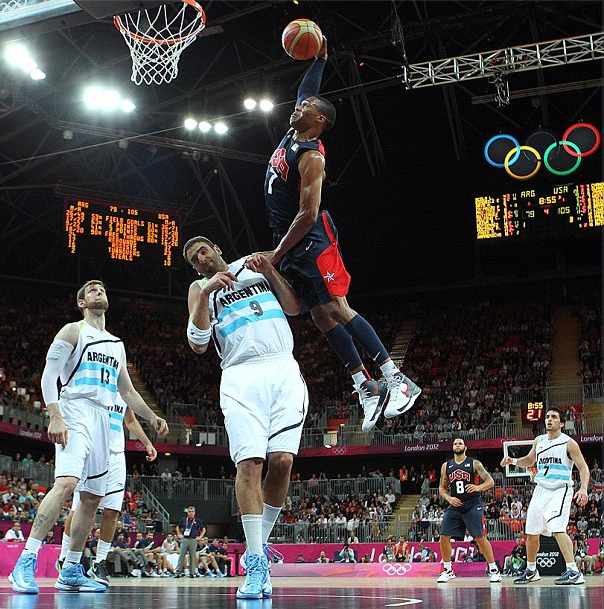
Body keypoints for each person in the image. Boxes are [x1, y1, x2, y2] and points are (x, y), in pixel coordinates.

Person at [257, 38, 420, 433]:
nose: (297, 108)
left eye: (305, 109)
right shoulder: (293, 133)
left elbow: (307, 213)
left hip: (311, 237)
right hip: (290, 238)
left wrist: (277, 253)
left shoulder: (311, 156)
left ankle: (397, 378)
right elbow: (307, 89)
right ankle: (365, 384)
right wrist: (321, 58)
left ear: (319, 120)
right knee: (319, 315)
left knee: (337, 307)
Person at [8, 280, 168, 594]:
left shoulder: (117, 344)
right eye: (92, 289)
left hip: (103, 419)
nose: (99, 290)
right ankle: (25, 561)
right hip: (75, 409)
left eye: (102, 288)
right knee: (67, 483)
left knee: (92, 497)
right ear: (81, 302)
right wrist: (55, 415)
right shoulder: (72, 331)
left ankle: (71, 569)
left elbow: (127, 391)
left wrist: (151, 416)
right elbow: (48, 377)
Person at [184, 237, 307, 599]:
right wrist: (207, 293)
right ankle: (255, 563)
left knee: (282, 461)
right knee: (250, 465)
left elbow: (294, 307)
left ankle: (259, 547)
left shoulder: (253, 265)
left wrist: (270, 270)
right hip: (239, 375)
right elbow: (197, 343)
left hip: (281, 367)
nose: (200, 259)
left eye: (202, 251)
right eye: (193, 259)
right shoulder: (199, 289)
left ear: (217, 248)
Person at [57, 393, 160, 587]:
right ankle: (65, 556)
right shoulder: (97, 386)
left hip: (116, 455)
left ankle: (99, 563)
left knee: (112, 512)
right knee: (79, 508)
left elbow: (130, 421)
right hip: (93, 450)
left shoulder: (124, 391)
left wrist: (147, 442)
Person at [501, 407, 591, 585]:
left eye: (554, 417)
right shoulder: (539, 440)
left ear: (562, 423)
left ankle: (574, 571)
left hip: (560, 489)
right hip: (540, 489)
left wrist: (583, 488)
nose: (549, 419)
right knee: (531, 532)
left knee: (558, 529)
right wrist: (513, 461)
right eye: (548, 417)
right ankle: (531, 571)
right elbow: (529, 460)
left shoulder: (569, 443)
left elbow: (583, 467)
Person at [436, 438, 502, 584]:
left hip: (472, 503)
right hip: (455, 504)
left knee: (479, 537)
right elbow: (442, 487)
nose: (457, 445)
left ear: (465, 447)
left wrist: (478, 487)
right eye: (455, 443)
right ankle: (448, 570)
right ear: (452, 447)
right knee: (444, 535)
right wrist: (448, 498)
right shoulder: (446, 466)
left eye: (460, 443)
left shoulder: (474, 463)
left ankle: (494, 570)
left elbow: (490, 481)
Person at [174, 506, 205, 578]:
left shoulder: (198, 520)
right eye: (189, 511)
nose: (191, 513)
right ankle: (178, 572)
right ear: (187, 512)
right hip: (185, 539)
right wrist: (179, 534)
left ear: (194, 512)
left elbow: (203, 529)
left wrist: (200, 537)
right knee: (182, 555)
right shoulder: (183, 520)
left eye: (192, 511)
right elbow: (178, 527)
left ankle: (192, 573)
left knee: (192, 556)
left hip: (193, 540)